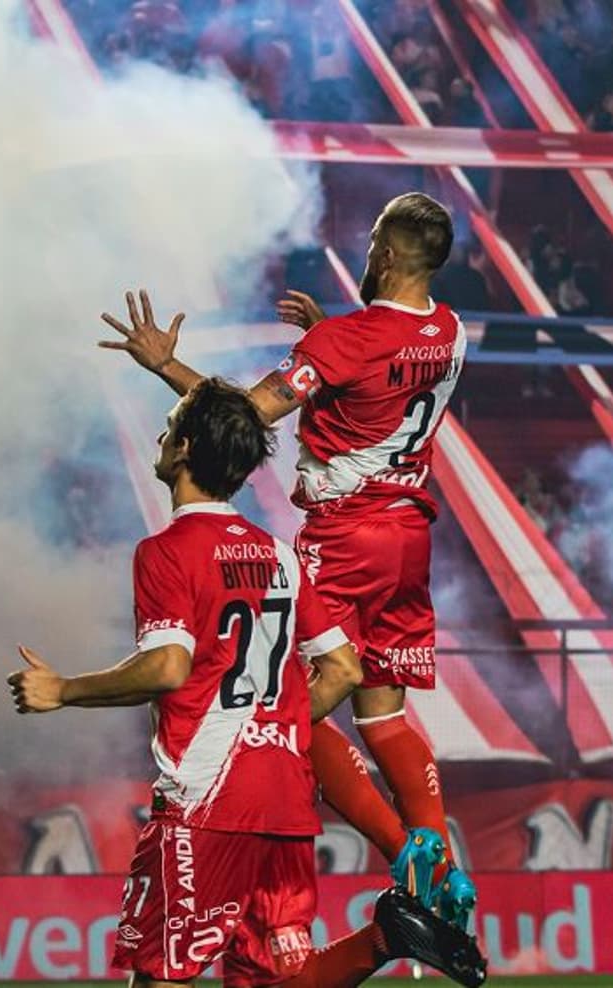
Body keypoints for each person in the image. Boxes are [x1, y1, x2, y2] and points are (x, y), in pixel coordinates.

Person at [8, 378, 486, 988]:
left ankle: (388, 938)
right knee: (270, 981)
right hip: (285, 799)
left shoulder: (167, 552)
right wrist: (280, 725)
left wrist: (64, 690)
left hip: (207, 802)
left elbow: (167, 666)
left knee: (161, 975)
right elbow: (343, 666)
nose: (159, 433)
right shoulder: (279, 555)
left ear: (182, 449)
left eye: (170, 424)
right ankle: (386, 938)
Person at [98, 192, 476, 926]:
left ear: (390, 256)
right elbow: (384, 371)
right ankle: (446, 873)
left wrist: (167, 366)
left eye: (372, 245)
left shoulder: (349, 342)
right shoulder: (449, 330)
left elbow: (245, 415)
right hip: (409, 532)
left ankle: (402, 853)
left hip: (345, 534)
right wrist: (330, 347)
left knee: (285, 705)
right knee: (385, 711)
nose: (365, 255)